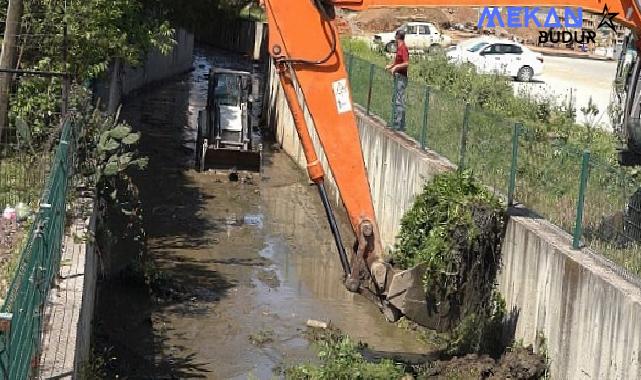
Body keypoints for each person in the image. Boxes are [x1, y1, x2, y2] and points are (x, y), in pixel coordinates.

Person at [386, 30, 409, 131]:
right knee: (395, 99)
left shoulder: (403, 48)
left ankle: (398, 125)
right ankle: (396, 122)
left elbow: (406, 63)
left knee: (399, 101)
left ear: (397, 37)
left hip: (401, 78)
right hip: (397, 77)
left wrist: (396, 68)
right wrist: (391, 65)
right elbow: (397, 61)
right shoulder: (399, 48)